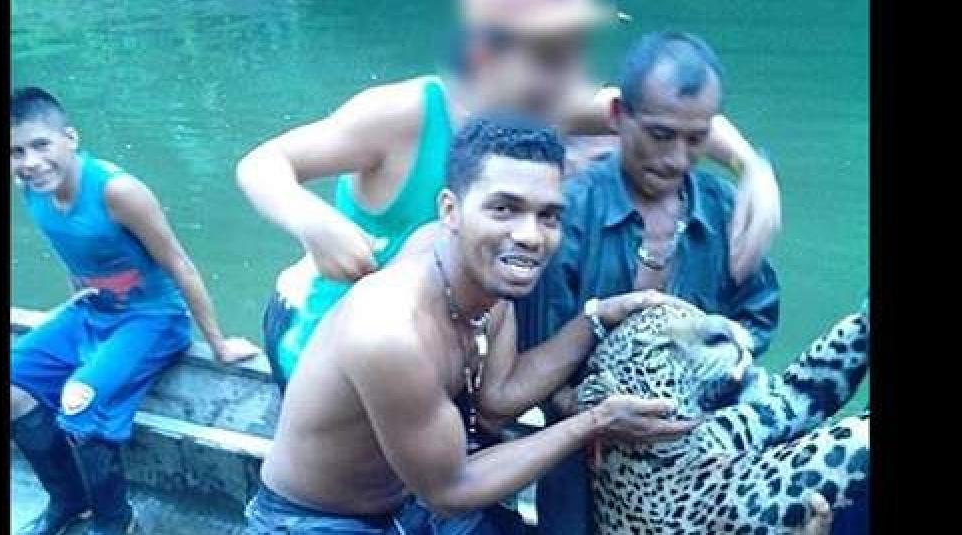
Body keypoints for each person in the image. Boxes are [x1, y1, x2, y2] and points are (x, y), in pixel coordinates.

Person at [237, 0, 782, 390]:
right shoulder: (404, 114)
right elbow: (262, 163)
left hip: (446, 343)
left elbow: (670, 116)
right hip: (335, 342)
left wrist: (753, 171)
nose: (565, 74)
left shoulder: (542, 109)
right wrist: (313, 223)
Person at [245, 114, 708, 534]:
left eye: (548, 215)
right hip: (316, 521)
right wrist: (597, 421)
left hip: (410, 501)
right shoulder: (390, 334)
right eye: (503, 209)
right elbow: (450, 492)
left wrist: (597, 318)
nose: (529, 236)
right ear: (451, 210)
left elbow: (497, 399)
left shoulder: (485, 277)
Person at [513, 31, 791, 533]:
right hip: (581, 454)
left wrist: (725, 361)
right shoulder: (568, 216)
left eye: (695, 139)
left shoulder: (725, 210)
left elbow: (758, 315)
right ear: (618, 117)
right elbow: (535, 362)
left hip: (704, 451)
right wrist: (594, 412)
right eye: (661, 135)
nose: (678, 159)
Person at [8, 87, 252, 535]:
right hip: (92, 312)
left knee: (79, 404)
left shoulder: (118, 191)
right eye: (16, 152)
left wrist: (218, 343)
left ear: (70, 138)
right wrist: (70, 304)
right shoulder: (31, 189)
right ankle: (69, 503)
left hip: (152, 320)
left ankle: (117, 521)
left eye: (41, 145)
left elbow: (179, 263)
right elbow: (72, 250)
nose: (31, 162)